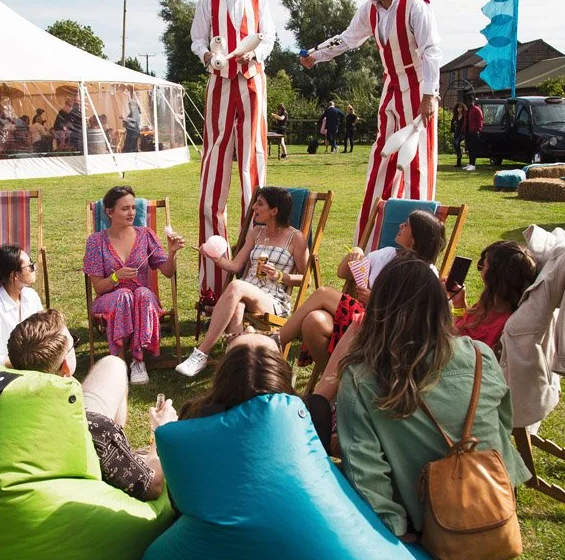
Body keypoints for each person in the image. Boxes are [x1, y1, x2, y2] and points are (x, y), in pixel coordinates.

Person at [335, 256, 529, 540]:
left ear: (380, 310)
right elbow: (503, 423)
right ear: (440, 308)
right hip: (495, 513)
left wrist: (398, 535)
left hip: (430, 531)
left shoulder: (361, 378)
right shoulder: (479, 355)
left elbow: (366, 476)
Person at [301, 0, 442, 246]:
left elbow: (432, 50)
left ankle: (419, 249)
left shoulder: (416, 8)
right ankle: (367, 244)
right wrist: (316, 54)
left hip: (418, 92)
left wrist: (430, 95)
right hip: (391, 91)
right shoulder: (371, 9)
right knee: (381, 162)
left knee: (416, 167)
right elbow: (348, 38)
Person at [190, 0, 277, 300]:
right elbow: (196, 40)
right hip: (220, 86)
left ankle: (253, 280)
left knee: (252, 175)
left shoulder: (260, 1)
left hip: (252, 85)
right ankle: (213, 284)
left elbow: (269, 37)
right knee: (213, 178)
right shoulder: (207, 1)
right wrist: (210, 54)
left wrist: (253, 53)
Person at [6, 309, 176, 501]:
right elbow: (152, 486)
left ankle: (121, 451)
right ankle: (118, 456)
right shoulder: (95, 429)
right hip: (80, 499)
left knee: (114, 364)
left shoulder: (1, 404)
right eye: (74, 345)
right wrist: (161, 432)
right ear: (66, 366)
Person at [280, 209, 445, 372]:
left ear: (416, 238)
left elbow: (413, 316)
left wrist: (374, 299)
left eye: (407, 225)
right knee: (313, 321)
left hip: (383, 327)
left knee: (322, 293)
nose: (400, 225)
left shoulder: (426, 274)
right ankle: (335, 384)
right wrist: (356, 254)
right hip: (358, 320)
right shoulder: (387, 254)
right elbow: (342, 273)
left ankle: (274, 343)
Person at [177, 186, 306, 377]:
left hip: (273, 300)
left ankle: (202, 353)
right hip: (246, 293)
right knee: (237, 307)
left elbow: (306, 279)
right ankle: (235, 367)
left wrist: (280, 275)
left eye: (259, 204)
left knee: (237, 286)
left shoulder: (295, 238)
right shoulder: (256, 233)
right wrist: (214, 257)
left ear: (274, 210)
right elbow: (236, 266)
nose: (254, 206)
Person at [84, 186, 185, 385]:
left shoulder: (145, 235)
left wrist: (172, 253)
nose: (131, 213)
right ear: (109, 212)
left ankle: (138, 361)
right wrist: (115, 277)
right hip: (110, 300)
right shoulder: (96, 242)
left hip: (141, 300)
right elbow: (99, 288)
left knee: (143, 293)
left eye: (133, 208)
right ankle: (120, 363)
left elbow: (167, 271)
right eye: (125, 209)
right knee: (123, 295)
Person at [180, 332, 333, 453]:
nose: (250, 329)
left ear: (223, 374)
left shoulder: (195, 420)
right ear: (281, 373)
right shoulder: (311, 417)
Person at [451, 241, 538, 352]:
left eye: (482, 266)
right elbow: (459, 329)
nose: (480, 269)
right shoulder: (488, 303)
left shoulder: (503, 327)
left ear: (494, 277)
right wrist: (458, 304)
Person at [462, 93, 483, 171]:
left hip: (474, 132)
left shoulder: (476, 109)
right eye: (467, 101)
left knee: (473, 148)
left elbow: (480, 120)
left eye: (470, 101)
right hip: (468, 131)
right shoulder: (468, 110)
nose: (469, 103)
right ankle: (470, 163)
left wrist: (478, 129)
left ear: (473, 101)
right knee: (469, 148)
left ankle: (473, 164)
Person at [450, 101, 466, 167]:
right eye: (458, 108)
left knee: (456, 143)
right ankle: (458, 162)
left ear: (463, 108)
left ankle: (459, 154)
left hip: (462, 132)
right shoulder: (456, 115)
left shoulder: (465, 116)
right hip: (457, 132)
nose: (459, 109)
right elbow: (452, 123)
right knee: (455, 144)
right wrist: (452, 130)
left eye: (461, 108)